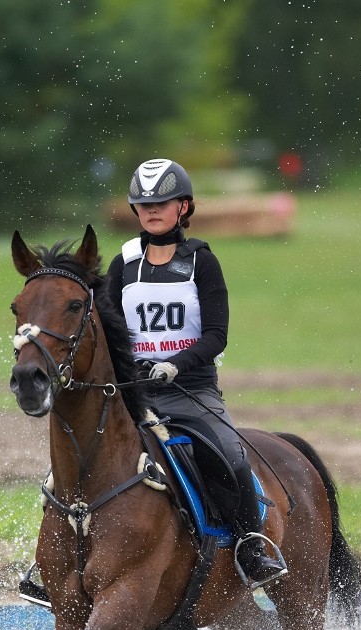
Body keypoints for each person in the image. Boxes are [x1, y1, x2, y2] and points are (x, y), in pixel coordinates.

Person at [105, 157, 287, 587]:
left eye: (162, 202)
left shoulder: (202, 262)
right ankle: (54, 559)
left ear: (183, 207)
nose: (152, 210)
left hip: (190, 391)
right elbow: (107, 328)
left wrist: (176, 364)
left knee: (233, 454)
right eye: (144, 203)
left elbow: (216, 336)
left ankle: (251, 547)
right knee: (79, 449)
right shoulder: (123, 264)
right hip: (134, 391)